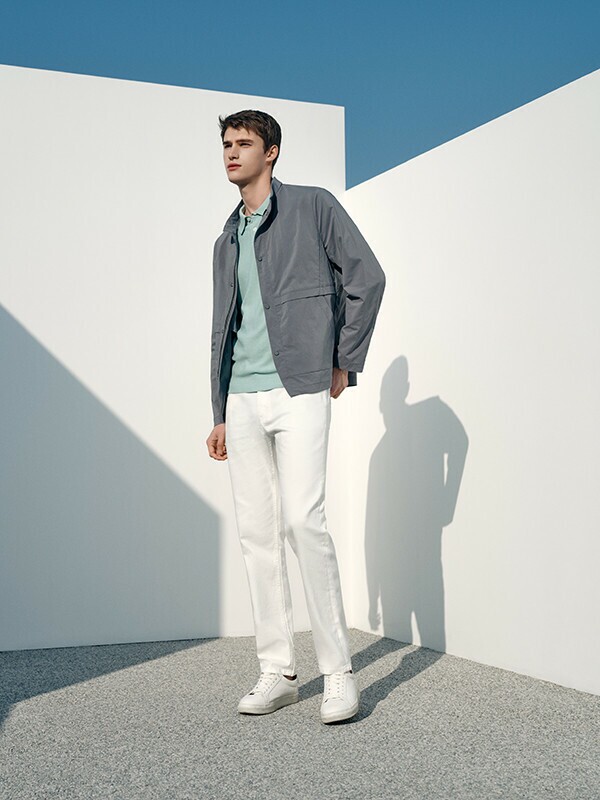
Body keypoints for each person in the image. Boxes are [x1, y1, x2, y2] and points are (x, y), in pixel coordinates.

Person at [206, 109, 385, 723]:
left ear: (272, 151)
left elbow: (367, 278)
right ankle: (278, 671)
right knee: (257, 534)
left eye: (243, 143)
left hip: (301, 385)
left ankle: (338, 674)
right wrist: (219, 411)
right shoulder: (226, 239)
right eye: (226, 144)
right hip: (241, 398)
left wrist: (344, 358)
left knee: (304, 522)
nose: (232, 152)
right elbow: (223, 330)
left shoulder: (313, 206)